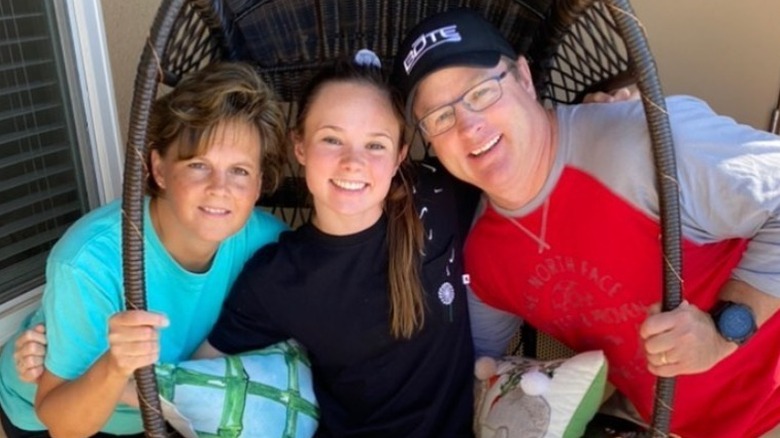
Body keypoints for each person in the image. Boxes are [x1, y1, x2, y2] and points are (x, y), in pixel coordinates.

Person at [391, 8, 780, 438]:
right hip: (660, 424)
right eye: (441, 117)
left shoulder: (645, 144)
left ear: (523, 78)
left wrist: (723, 330)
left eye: (481, 92)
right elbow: (475, 367)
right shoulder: (485, 259)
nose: (469, 126)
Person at [194, 51, 477, 437]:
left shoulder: (440, 193)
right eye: (331, 139)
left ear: (399, 157)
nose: (352, 162)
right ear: (300, 148)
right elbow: (198, 377)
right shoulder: (277, 277)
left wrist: (590, 107)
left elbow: (524, 175)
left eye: (375, 145)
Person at [0, 62, 288, 438]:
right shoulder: (90, 262)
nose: (221, 188)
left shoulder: (267, 243)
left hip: (159, 413)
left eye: (239, 171)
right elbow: (62, 423)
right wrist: (114, 366)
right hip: (54, 413)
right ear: (159, 169)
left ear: (259, 183)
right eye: (199, 165)